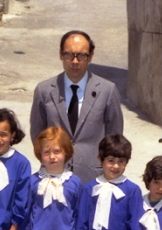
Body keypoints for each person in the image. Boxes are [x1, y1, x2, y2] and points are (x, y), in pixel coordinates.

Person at [30, 30, 124, 184]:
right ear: (61, 55)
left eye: (81, 55)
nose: (75, 61)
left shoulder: (107, 91)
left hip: (94, 178)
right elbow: (37, 135)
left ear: (91, 56)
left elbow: (115, 137)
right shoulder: (44, 90)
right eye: (69, 55)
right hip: (54, 176)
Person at [76, 134, 143, 230]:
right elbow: (82, 223)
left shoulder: (132, 190)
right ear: (101, 160)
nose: (116, 166)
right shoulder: (89, 189)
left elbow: (135, 225)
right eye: (110, 161)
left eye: (121, 161)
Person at [27, 127, 82, 230]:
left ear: (66, 152)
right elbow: (27, 213)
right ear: (40, 155)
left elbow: (78, 215)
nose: (52, 156)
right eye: (46, 152)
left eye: (57, 151)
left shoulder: (74, 182)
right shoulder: (33, 181)